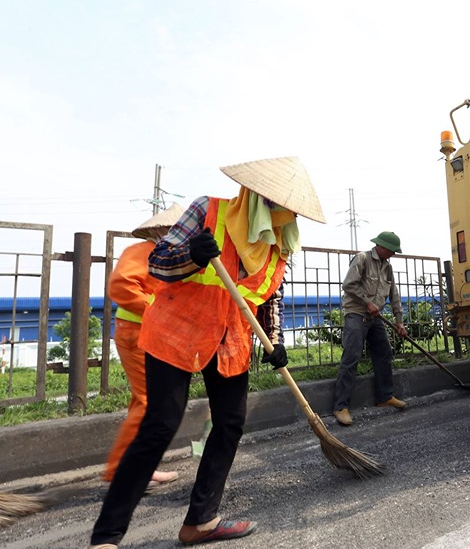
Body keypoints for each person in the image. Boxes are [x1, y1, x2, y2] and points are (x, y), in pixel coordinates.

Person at [89, 157, 325, 549]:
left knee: (230, 424)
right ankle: (106, 537)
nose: (282, 215)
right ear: (253, 196)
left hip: (230, 339)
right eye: (274, 205)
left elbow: (269, 296)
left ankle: (200, 521)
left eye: (290, 210)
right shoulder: (207, 210)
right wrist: (192, 255)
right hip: (176, 330)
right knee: (160, 424)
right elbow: (159, 264)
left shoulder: (280, 243)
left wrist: (276, 339)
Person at [102, 204, 185, 491]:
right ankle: (125, 471)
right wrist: (156, 309)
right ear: (162, 230)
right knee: (149, 401)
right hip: (137, 331)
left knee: (144, 400)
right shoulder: (142, 251)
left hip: (144, 330)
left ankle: (136, 466)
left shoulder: (158, 254)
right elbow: (121, 286)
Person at [332, 231, 408, 427]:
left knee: (384, 353)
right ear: (381, 247)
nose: (393, 254)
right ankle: (341, 406)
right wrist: (367, 303)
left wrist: (399, 321)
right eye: (391, 251)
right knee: (351, 357)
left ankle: (385, 396)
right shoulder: (362, 258)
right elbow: (348, 285)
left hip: (375, 318)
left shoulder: (387, 267)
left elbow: (394, 295)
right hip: (357, 314)